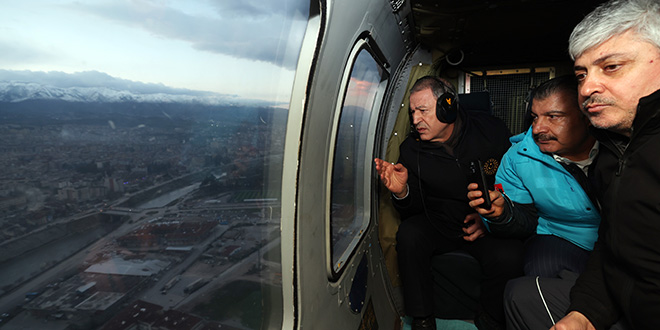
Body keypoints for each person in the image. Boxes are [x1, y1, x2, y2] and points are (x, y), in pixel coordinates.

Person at [374, 76, 523, 330]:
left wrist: (490, 220)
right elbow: (414, 208)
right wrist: (403, 191)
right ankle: (422, 320)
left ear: (448, 106)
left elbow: (516, 182)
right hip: (440, 222)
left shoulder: (491, 131)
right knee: (410, 234)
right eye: (412, 113)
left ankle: (490, 319)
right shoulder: (411, 150)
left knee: (510, 256)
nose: (415, 120)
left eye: (422, 111)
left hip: (483, 223)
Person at [550, 0, 660, 329]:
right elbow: (615, 247)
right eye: (581, 74)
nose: (587, 88)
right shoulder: (612, 151)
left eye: (611, 67)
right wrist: (586, 313)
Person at [466, 75, 601, 329]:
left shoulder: (617, 148)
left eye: (553, 117)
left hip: (617, 237)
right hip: (559, 236)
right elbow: (525, 221)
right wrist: (503, 213)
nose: (538, 128)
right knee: (538, 271)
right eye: (535, 117)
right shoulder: (518, 157)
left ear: (586, 116)